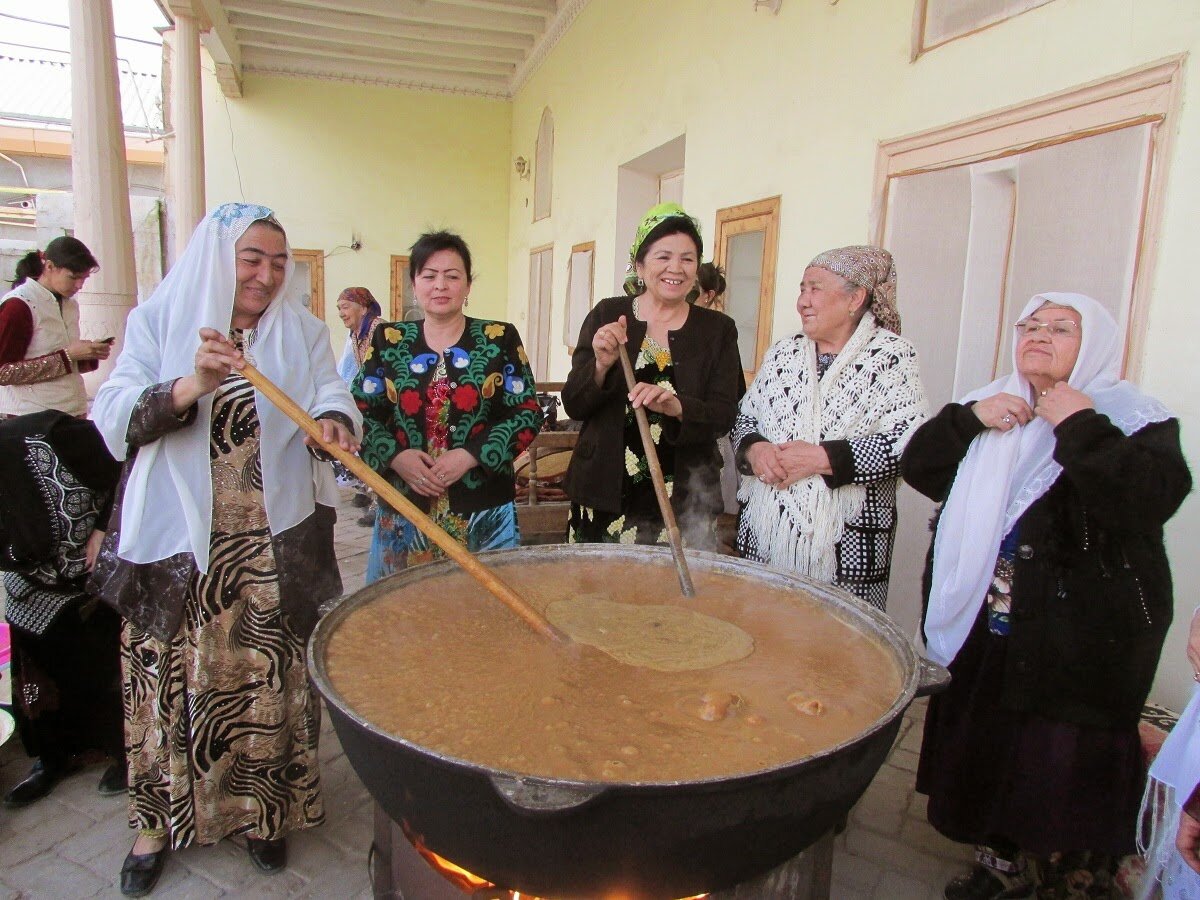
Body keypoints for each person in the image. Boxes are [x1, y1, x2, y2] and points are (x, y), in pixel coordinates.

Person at [89, 203, 362, 897]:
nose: (268, 275)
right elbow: (113, 415)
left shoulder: (300, 330)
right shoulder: (160, 322)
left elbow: (331, 388)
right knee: (168, 689)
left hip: (272, 548)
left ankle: (265, 816)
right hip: (180, 551)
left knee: (266, 682)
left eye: (279, 262)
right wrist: (192, 384)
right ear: (219, 258)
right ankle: (156, 826)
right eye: (252, 259)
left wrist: (333, 419)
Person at [904, 293, 1191, 900]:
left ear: (1095, 347)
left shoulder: (1133, 416)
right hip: (992, 624)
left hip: (1078, 644)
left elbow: (1147, 500)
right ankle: (998, 866)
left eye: (1061, 328)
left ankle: (1060, 881)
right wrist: (969, 418)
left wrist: (1079, 423)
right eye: (1031, 325)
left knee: (1056, 768)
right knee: (991, 748)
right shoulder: (997, 401)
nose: (1039, 334)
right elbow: (921, 468)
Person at [732, 246, 927, 610]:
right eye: (801, 289)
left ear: (855, 298)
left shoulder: (890, 357)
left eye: (815, 289)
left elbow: (909, 445)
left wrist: (822, 459)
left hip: (848, 540)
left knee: (837, 650)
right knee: (758, 637)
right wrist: (756, 450)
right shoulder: (783, 353)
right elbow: (746, 419)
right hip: (765, 533)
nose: (803, 301)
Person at [354, 231, 541, 582]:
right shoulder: (389, 341)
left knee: (481, 610)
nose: (441, 285)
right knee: (401, 612)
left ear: (468, 285)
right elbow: (360, 412)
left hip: (481, 506)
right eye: (429, 275)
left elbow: (527, 411)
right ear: (414, 283)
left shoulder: (499, 338)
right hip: (405, 505)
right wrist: (396, 457)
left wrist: (471, 455)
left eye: (452, 276)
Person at [562, 203, 742, 548]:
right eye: (663, 257)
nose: (676, 268)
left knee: (672, 598)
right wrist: (600, 365)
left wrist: (677, 407)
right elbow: (574, 403)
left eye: (688, 259)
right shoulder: (608, 314)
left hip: (685, 499)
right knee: (596, 596)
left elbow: (724, 414)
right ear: (640, 266)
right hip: (605, 495)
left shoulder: (717, 330)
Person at [0, 411, 125, 808]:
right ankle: (55, 758)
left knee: (105, 660)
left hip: (94, 564)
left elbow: (128, 467)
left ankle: (126, 751)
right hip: (31, 580)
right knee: (39, 667)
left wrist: (105, 528)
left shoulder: (54, 436)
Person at [0, 236, 111, 418]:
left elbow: (60, 358)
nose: (79, 285)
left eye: (84, 278)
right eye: (73, 277)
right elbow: (3, 373)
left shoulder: (70, 305)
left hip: (72, 411)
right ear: (50, 267)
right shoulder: (19, 305)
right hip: (31, 417)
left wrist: (88, 354)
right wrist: (68, 356)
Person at [335, 286, 384, 525]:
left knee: (378, 450)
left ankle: (379, 503)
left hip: (384, 404)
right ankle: (367, 493)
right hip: (368, 401)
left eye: (345, 307)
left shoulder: (379, 329)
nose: (342, 313)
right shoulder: (356, 334)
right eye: (339, 309)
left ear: (363, 307)